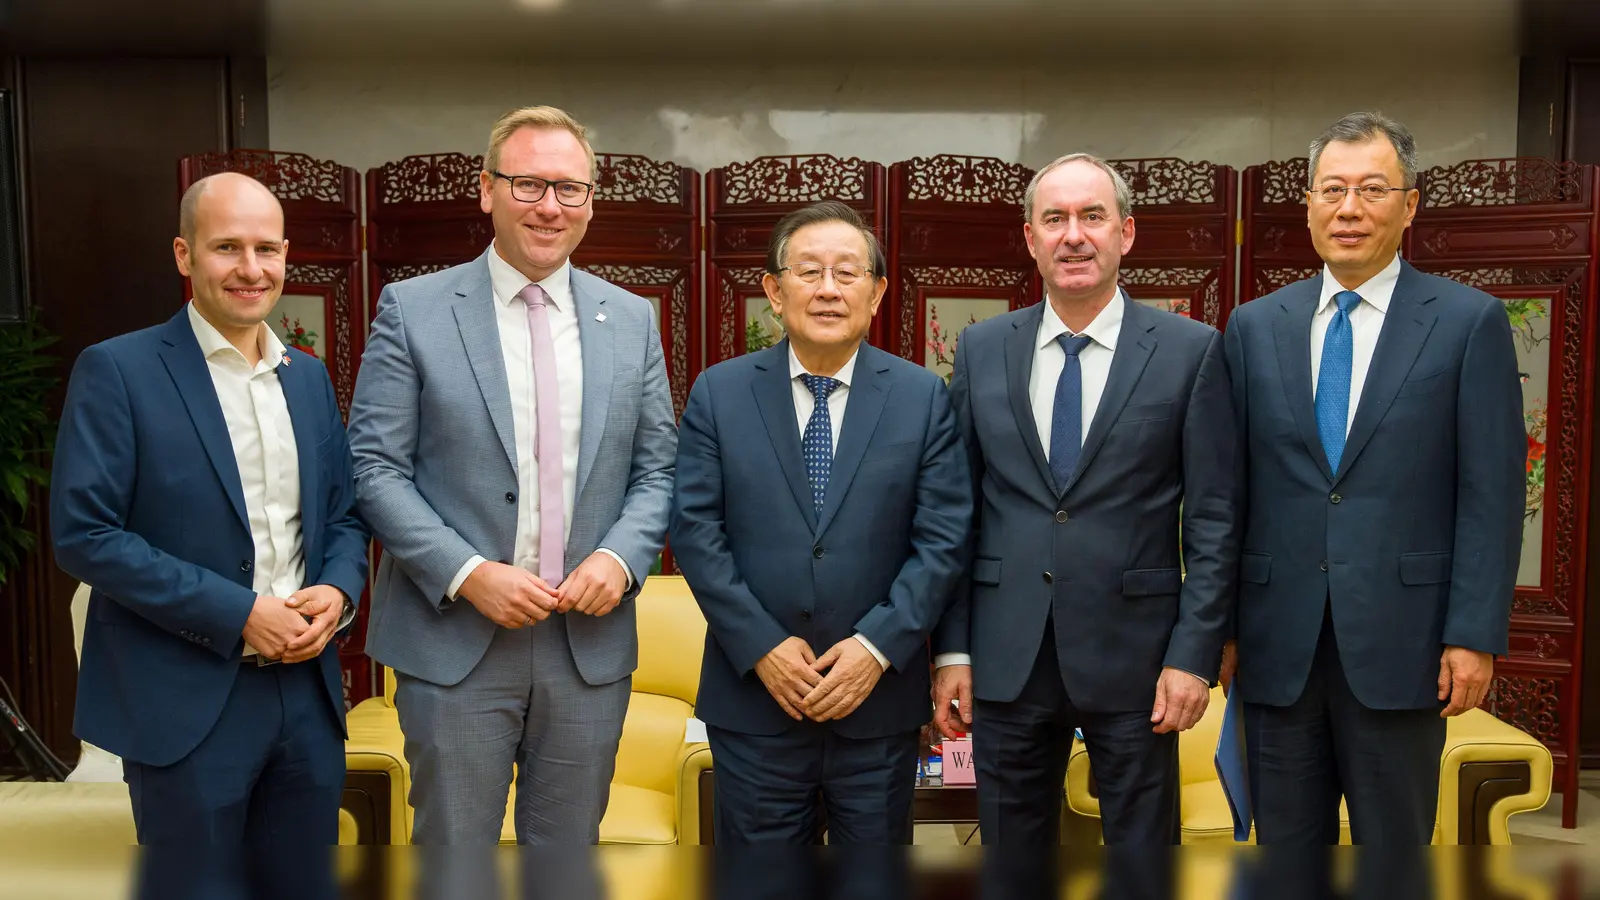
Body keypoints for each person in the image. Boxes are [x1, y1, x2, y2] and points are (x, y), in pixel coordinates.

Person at [347, 105, 677, 844]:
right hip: (454, 638)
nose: (549, 206)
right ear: (486, 189)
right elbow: (373, 468)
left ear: (591, 201)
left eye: (569, 188)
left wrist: (620, 559)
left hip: (585, 644)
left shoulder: (631, 319)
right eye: (528, 185)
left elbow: (660, 469)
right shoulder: (413, 309)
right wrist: (468, 572)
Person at [1222, 111, 1525, 844]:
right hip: (1275, 646)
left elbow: (1492, 492)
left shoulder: (1466, 322)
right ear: (1309, 204)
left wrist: (1474, 634)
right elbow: (1224, 495)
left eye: (1371, 190)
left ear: (1410, 205)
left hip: (1407, 644)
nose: (1348, 209)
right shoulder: (1255, 326)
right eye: (1331, 189)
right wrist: (1217, 630)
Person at [50, 171, 368, 844]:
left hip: (307, 696)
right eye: (227, 247)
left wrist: (337, 592)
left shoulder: (307, 377)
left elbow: (341, 516)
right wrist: (240, 612)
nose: (251, 269)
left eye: (267, 249)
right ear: (184, 255)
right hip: (183, 700)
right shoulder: (119, 370)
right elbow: (86, 536)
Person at [931, 153, 1239, 845]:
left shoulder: (1191, 352)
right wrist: (951, 653)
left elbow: (1216, 519)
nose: (1074, 235)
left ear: (1125, 234)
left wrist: (1194, 652)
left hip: (1139, 658)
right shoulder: (982, 350)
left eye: (1092, 217)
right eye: (1056, 219)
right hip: (1007, 653)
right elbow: (958, 512)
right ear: (1030, 237)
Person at [670, 201, 972, 843]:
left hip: (877, 705)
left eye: (848, 272)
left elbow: (943, 538)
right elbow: (696, 531)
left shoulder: (922, 397)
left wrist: (876, 647)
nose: (829, 289)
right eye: (809, 272)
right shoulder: (718, 393)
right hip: (755, 703)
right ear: (774, 292)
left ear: (878, 291)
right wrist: (762, 646)